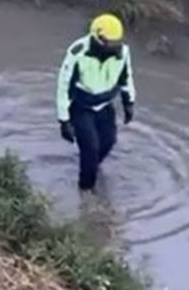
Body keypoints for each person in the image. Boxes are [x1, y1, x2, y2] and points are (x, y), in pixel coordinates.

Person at [55, 13, 136, 191]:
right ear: (97, 38)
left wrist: (128, 102)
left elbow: (125, 77)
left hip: (105, 105)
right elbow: (64, 86)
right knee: (91, 147)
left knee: (108, 142)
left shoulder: (122, 52)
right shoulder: (77, 53)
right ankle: (85, 192)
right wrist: (64, 121)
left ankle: (89, 165)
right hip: (82, 107)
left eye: (116, 43)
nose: (114, 47)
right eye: (109, 43)